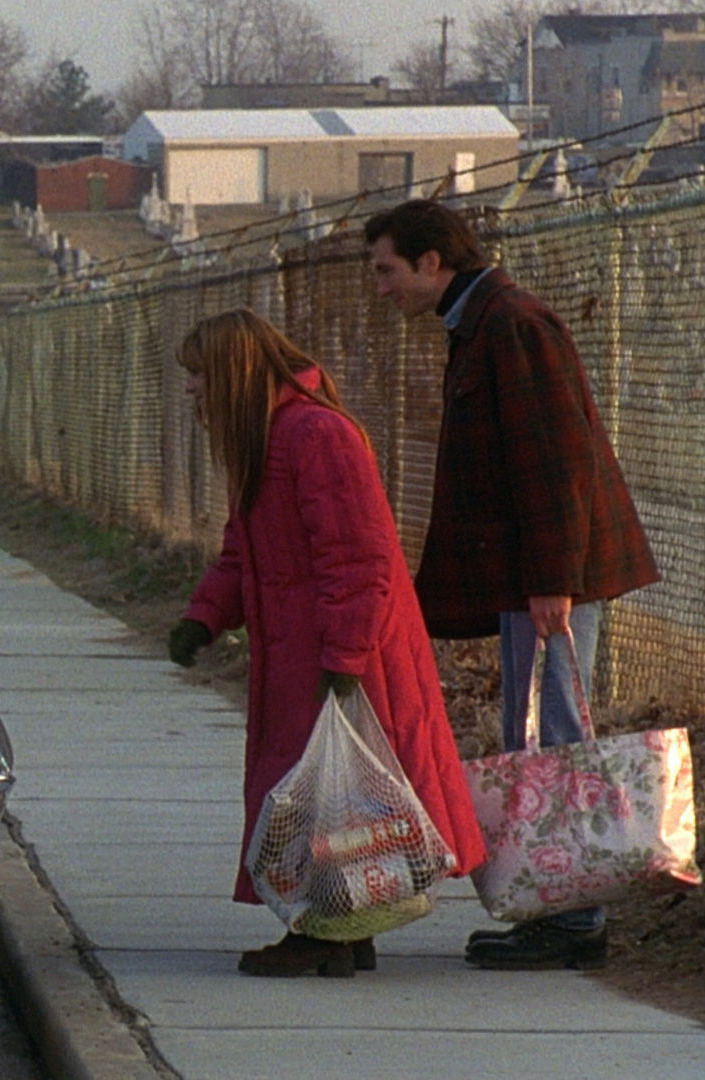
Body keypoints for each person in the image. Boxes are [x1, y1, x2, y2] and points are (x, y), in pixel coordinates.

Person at [364, 200, 659, 971]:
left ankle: (575, 918)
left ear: (432, 261)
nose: (382, 288)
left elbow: (558, 463)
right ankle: (556, 906)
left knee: (558, 738)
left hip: (549, 578)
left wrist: (553, 581)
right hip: (533, 576)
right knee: (535, 737)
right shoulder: (484, 324)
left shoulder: (512, 326)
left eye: (388, 270)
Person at [165, 309, 487, 978]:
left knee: (331, 794)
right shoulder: (268, 440)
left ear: (233, 373)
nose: (191, 388)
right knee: (324, 790)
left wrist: (343, 659)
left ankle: (325, 931)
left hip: (342, 652)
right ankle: (343, 928)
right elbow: (242, 551)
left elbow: (359, 558)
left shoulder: (314, 436)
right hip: (304, 650)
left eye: (199, 374)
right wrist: (204, 616)